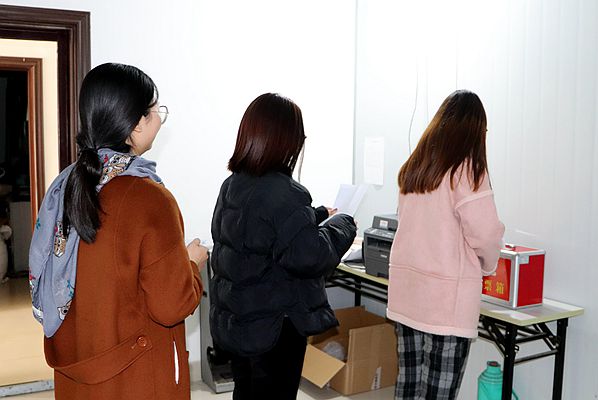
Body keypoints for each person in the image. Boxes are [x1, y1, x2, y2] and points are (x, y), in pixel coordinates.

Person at [28, 63, 207, 400]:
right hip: (135, 379)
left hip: (78, 377)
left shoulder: (64, 186)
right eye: (156, 111)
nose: (159, 120)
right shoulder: (149, 198)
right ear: (137, 123)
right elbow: (171, 305)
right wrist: (192, 264)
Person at [210, 93, 357, 400]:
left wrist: (317, 215)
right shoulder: (284, 192)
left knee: (246, 391)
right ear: (286, 140)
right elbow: (311, 256)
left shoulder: (234, 184)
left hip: (241, 320)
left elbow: (262, 233)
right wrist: (343, 224)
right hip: (273, 328)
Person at [387, 90, 505, 399]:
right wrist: (488, 265)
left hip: (407, 295)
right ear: (475, 131)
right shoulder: (467, 170)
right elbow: (487, 235)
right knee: (437, 393)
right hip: (445, 302)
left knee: (408, 387)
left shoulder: (415, 168)